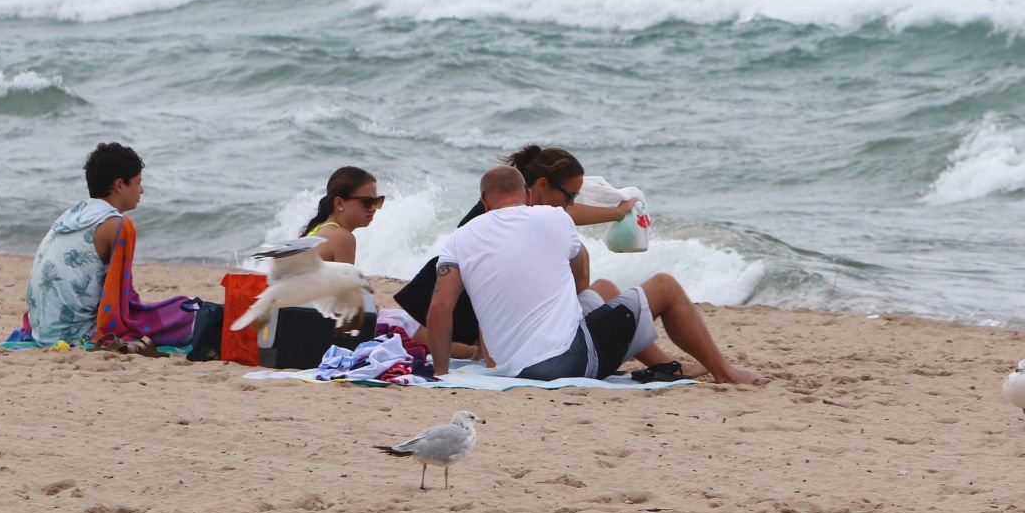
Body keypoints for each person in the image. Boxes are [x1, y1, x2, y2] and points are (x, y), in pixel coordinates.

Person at [426, 166, 771, 385]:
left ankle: (666, 365)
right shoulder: (552, 218)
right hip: (565, 362)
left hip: (509, 366)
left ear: (484, 202)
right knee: (664, 286)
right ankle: (726, 372)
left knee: (606, 290)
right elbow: (579, 281)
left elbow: (440, 308)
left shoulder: (460, 237)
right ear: (528, 195)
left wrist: (441, 372)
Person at [395, 145, 634, 355]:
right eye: (569, 195)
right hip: (455, 303)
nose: (571, 202)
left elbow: (563, 213)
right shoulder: (506, 213)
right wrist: (615, 213)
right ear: (541, 186)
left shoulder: (518, 206)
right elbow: (565, 214)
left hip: (462, 299)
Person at [23, 142, 193, 349]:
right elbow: (121, 303)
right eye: (138, 183)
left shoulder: (70, 216)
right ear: (120, 185)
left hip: (42, 332)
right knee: (188, 309)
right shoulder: (118, 225)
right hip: (79, 338)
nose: (142, 190)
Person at [299, 166, 384, 265]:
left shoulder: (318, 228)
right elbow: (347, 281)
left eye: (377, 201)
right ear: (339, 203)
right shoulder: (342, 237)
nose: (373, 208)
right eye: (367, 202)